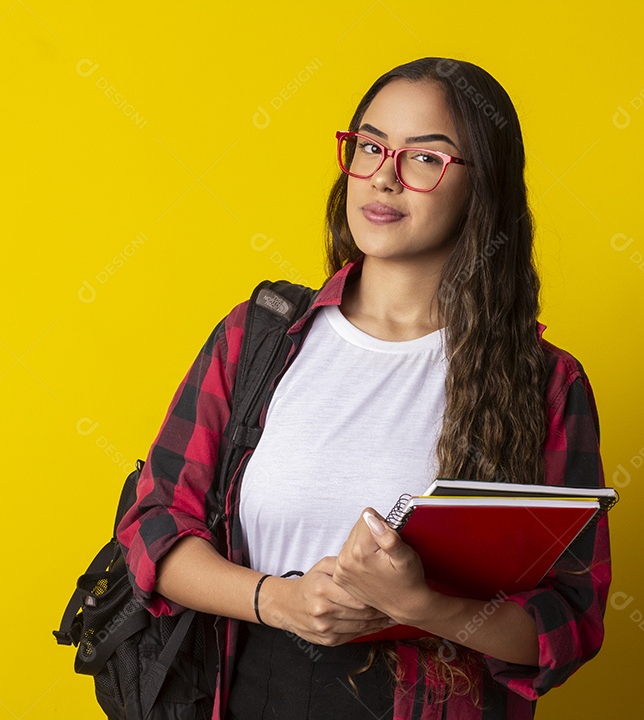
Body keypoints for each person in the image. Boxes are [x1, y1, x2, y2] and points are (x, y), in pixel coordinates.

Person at [116, 56, 612, 720]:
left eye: (425, 158)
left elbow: (569, 620)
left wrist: (422, 606)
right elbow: (153, 529)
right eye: (371, 147)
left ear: (483, 188)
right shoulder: (259, 337)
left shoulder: (545, 383)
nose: (384, 176)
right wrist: (279, 600)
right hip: (249, 695)